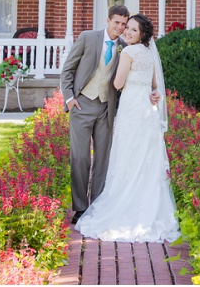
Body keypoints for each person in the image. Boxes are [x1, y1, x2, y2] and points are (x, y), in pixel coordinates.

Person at [76, 13, 181, 243]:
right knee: (145, 156)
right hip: (147, 110)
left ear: (142, 34)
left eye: (133, 30)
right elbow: (155, 85)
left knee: (126, 154)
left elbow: (118, 83)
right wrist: (153, 94)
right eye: (127, 28)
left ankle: (124, 203)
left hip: (132, 109)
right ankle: (148, 207)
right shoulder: (150, 53)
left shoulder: (130, 52)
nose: (127, 32)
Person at [59, 4, 136, 223]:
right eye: (117, 23)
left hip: (106, 108)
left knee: (103, 159)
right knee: (80, 157)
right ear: (108, 20)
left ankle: (98, 206)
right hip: (82, 105)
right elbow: (68, 70)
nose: (120, 28)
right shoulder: (87, 38)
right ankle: (80, 207)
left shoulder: (125, 47)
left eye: (124, 24)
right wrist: (70, 98)